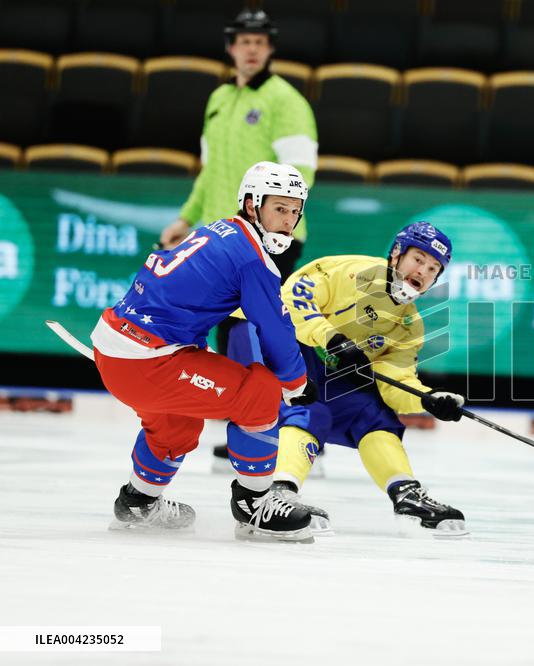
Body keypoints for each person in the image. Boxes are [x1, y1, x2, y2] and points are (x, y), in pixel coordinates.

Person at [92, 161, 318, 543]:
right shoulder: (252, 257)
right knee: (260, 391)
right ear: (252, 204)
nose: (288, 220)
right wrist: (297, 382)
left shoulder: (217, 231)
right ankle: (255, 505)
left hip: (114, 350)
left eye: (295, 211)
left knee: (177, 420)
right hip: (151, 361)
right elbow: (276, 331)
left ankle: (137, 502)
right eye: (279, 208)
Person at [221, 222, 469, 535]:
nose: (423, 271)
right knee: (309, 409)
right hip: (269, 337)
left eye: (433, 268)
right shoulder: (352, 272)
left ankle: (406, 493)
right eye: (418, 259)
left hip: (325, 363)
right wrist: (330, 336)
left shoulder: (409, 326)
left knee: (373, 415)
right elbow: (290, 298)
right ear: (396, 253)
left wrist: (426, 399)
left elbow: (394, 381)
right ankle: (278, 490)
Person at [159, 8, 318, 353]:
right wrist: (186, 219)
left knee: (262, 332)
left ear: (270, 49)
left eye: (259, 42)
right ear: (231, 48)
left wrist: (269, 227)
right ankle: (241, 405)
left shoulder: (286, 101)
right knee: (228, 329)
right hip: (224, 236)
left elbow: (302, 175)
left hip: (271, 238)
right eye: (245, 41)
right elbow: (209, 171)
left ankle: (281, 405)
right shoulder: (219, 99)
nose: (252, 49)